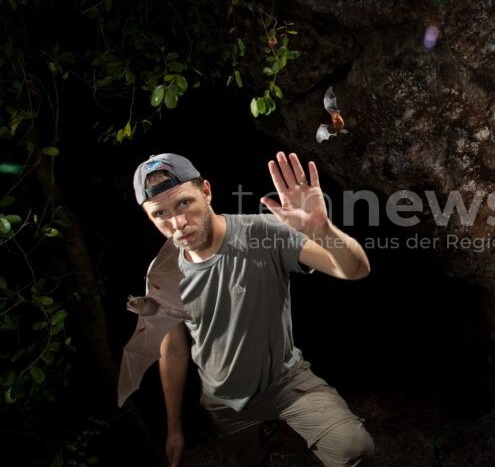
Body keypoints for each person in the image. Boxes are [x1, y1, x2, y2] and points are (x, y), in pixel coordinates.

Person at [132, 151, 375, 467]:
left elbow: (356, 270)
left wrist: (323, 231)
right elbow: (174, 350)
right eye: (160, 213)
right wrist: (174, 428)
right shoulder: (161, 273)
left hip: (285, 383)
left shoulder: (262, 233)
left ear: (206, 191)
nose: (177, 223)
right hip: (221, 400)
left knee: (353, 448)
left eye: (183, 203)